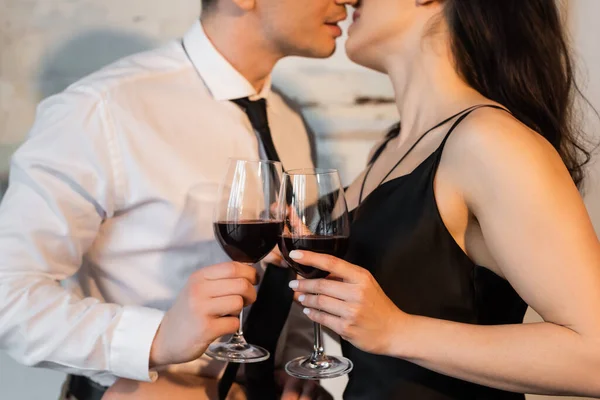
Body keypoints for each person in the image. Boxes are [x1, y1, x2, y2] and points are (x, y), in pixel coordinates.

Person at [0, 0, 355, 399]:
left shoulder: (289, 119)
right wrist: (156, 338)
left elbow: (287, 261)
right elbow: (9, 296)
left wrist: (297, 357)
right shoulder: (101, 109)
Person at [288, 0, 600, 399]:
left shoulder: (490, 142)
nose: (348, 1)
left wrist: (397, 331)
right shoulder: (389, 148)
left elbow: (594, 357)